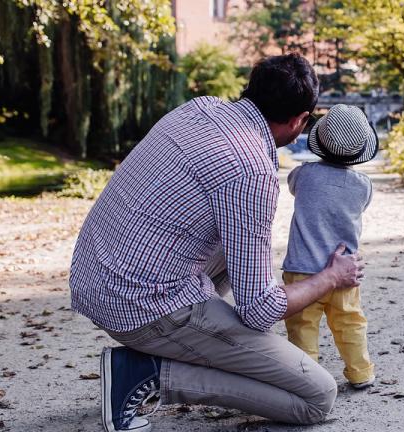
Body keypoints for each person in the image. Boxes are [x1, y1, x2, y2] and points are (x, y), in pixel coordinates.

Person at [68, 54, 365, 432]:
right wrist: (330, 278)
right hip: (141, 306)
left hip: (96, 276)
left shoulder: (199, 108)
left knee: (240, 246)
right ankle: (146, 374)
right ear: (300, 120)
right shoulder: (252, 169)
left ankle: (209, 346)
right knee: (316, 396)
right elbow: (260, 309)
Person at [282, 104, 378, 389]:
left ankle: (307, 379)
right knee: (350, 323)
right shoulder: (363, 186)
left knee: (302, 328)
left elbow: (291, 185)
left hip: (302, 273)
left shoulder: (304, 175)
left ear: (319, 142)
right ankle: (360, 372)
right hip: (345, 272)